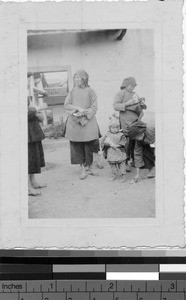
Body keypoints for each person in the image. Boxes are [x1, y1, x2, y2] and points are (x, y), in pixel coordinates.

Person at [64, 70, 100, 180]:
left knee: (89, 146)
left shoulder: (91, 91)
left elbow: (94, 107)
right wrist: (77, 110)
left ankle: (89, 167)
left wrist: (85, 113)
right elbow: (66, 105)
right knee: (77, 147)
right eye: (75, 78)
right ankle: (82, 170)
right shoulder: (72, 92)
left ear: (84, 79)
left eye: (78, 78)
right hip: (75, 121)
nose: (76, 80)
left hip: (88, 122)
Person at [113, 77, 147, 171]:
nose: (132, 88)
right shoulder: (120, 94)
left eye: (133, 86)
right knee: (126, 142)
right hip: (125, 121)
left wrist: (141, 103)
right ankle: (126, 161)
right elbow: (115, 106)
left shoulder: (135, 94)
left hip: (135, 121)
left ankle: (135, 161)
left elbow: (140, 108)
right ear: (125, 85)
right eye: (130, 86)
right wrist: (127, 104)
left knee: (136, 141)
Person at [28, 97, 46, 196]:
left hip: (33, 132)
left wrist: (37, 113)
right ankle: (27, 188)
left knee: (33, 158)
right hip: (26, 134)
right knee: (27, 161)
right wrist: (38, 108)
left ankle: (33, 181)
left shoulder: (26, 97)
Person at [101, 116, 127, 182]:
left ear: (118, 128)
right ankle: (113, 175)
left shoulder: (121, 134)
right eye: (113, 128)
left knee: (121, 164)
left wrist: (117, 145)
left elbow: (123, 142)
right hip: (111, 153)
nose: (115, 129)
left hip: (119, 152)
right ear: (110, 128)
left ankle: (123, 176)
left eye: (116, 128)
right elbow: (103, 142)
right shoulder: (107, 134)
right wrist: (106, 143)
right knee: (112, 165)